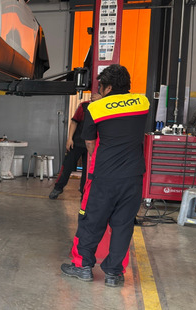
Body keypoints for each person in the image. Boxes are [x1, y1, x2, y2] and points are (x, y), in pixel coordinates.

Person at [61, 64, 150, 287]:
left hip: (105, 177)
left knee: (91, 221)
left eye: (101, 87)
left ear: (108, 87)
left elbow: (90, 144)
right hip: (133, 177)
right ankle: (114, 274)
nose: (99, 90)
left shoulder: (95, 108)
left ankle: (82, 266)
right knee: (123, 225)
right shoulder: (143, 102)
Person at [49, 93, 101, 200]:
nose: (94, 95)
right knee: (67, 166)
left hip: (93, 145)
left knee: (87, 171)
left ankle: (84, 193)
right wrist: (70, 139)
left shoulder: (105, 107)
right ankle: (58, 188)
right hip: (77, 142)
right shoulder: (84, 106)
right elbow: (74, 122)